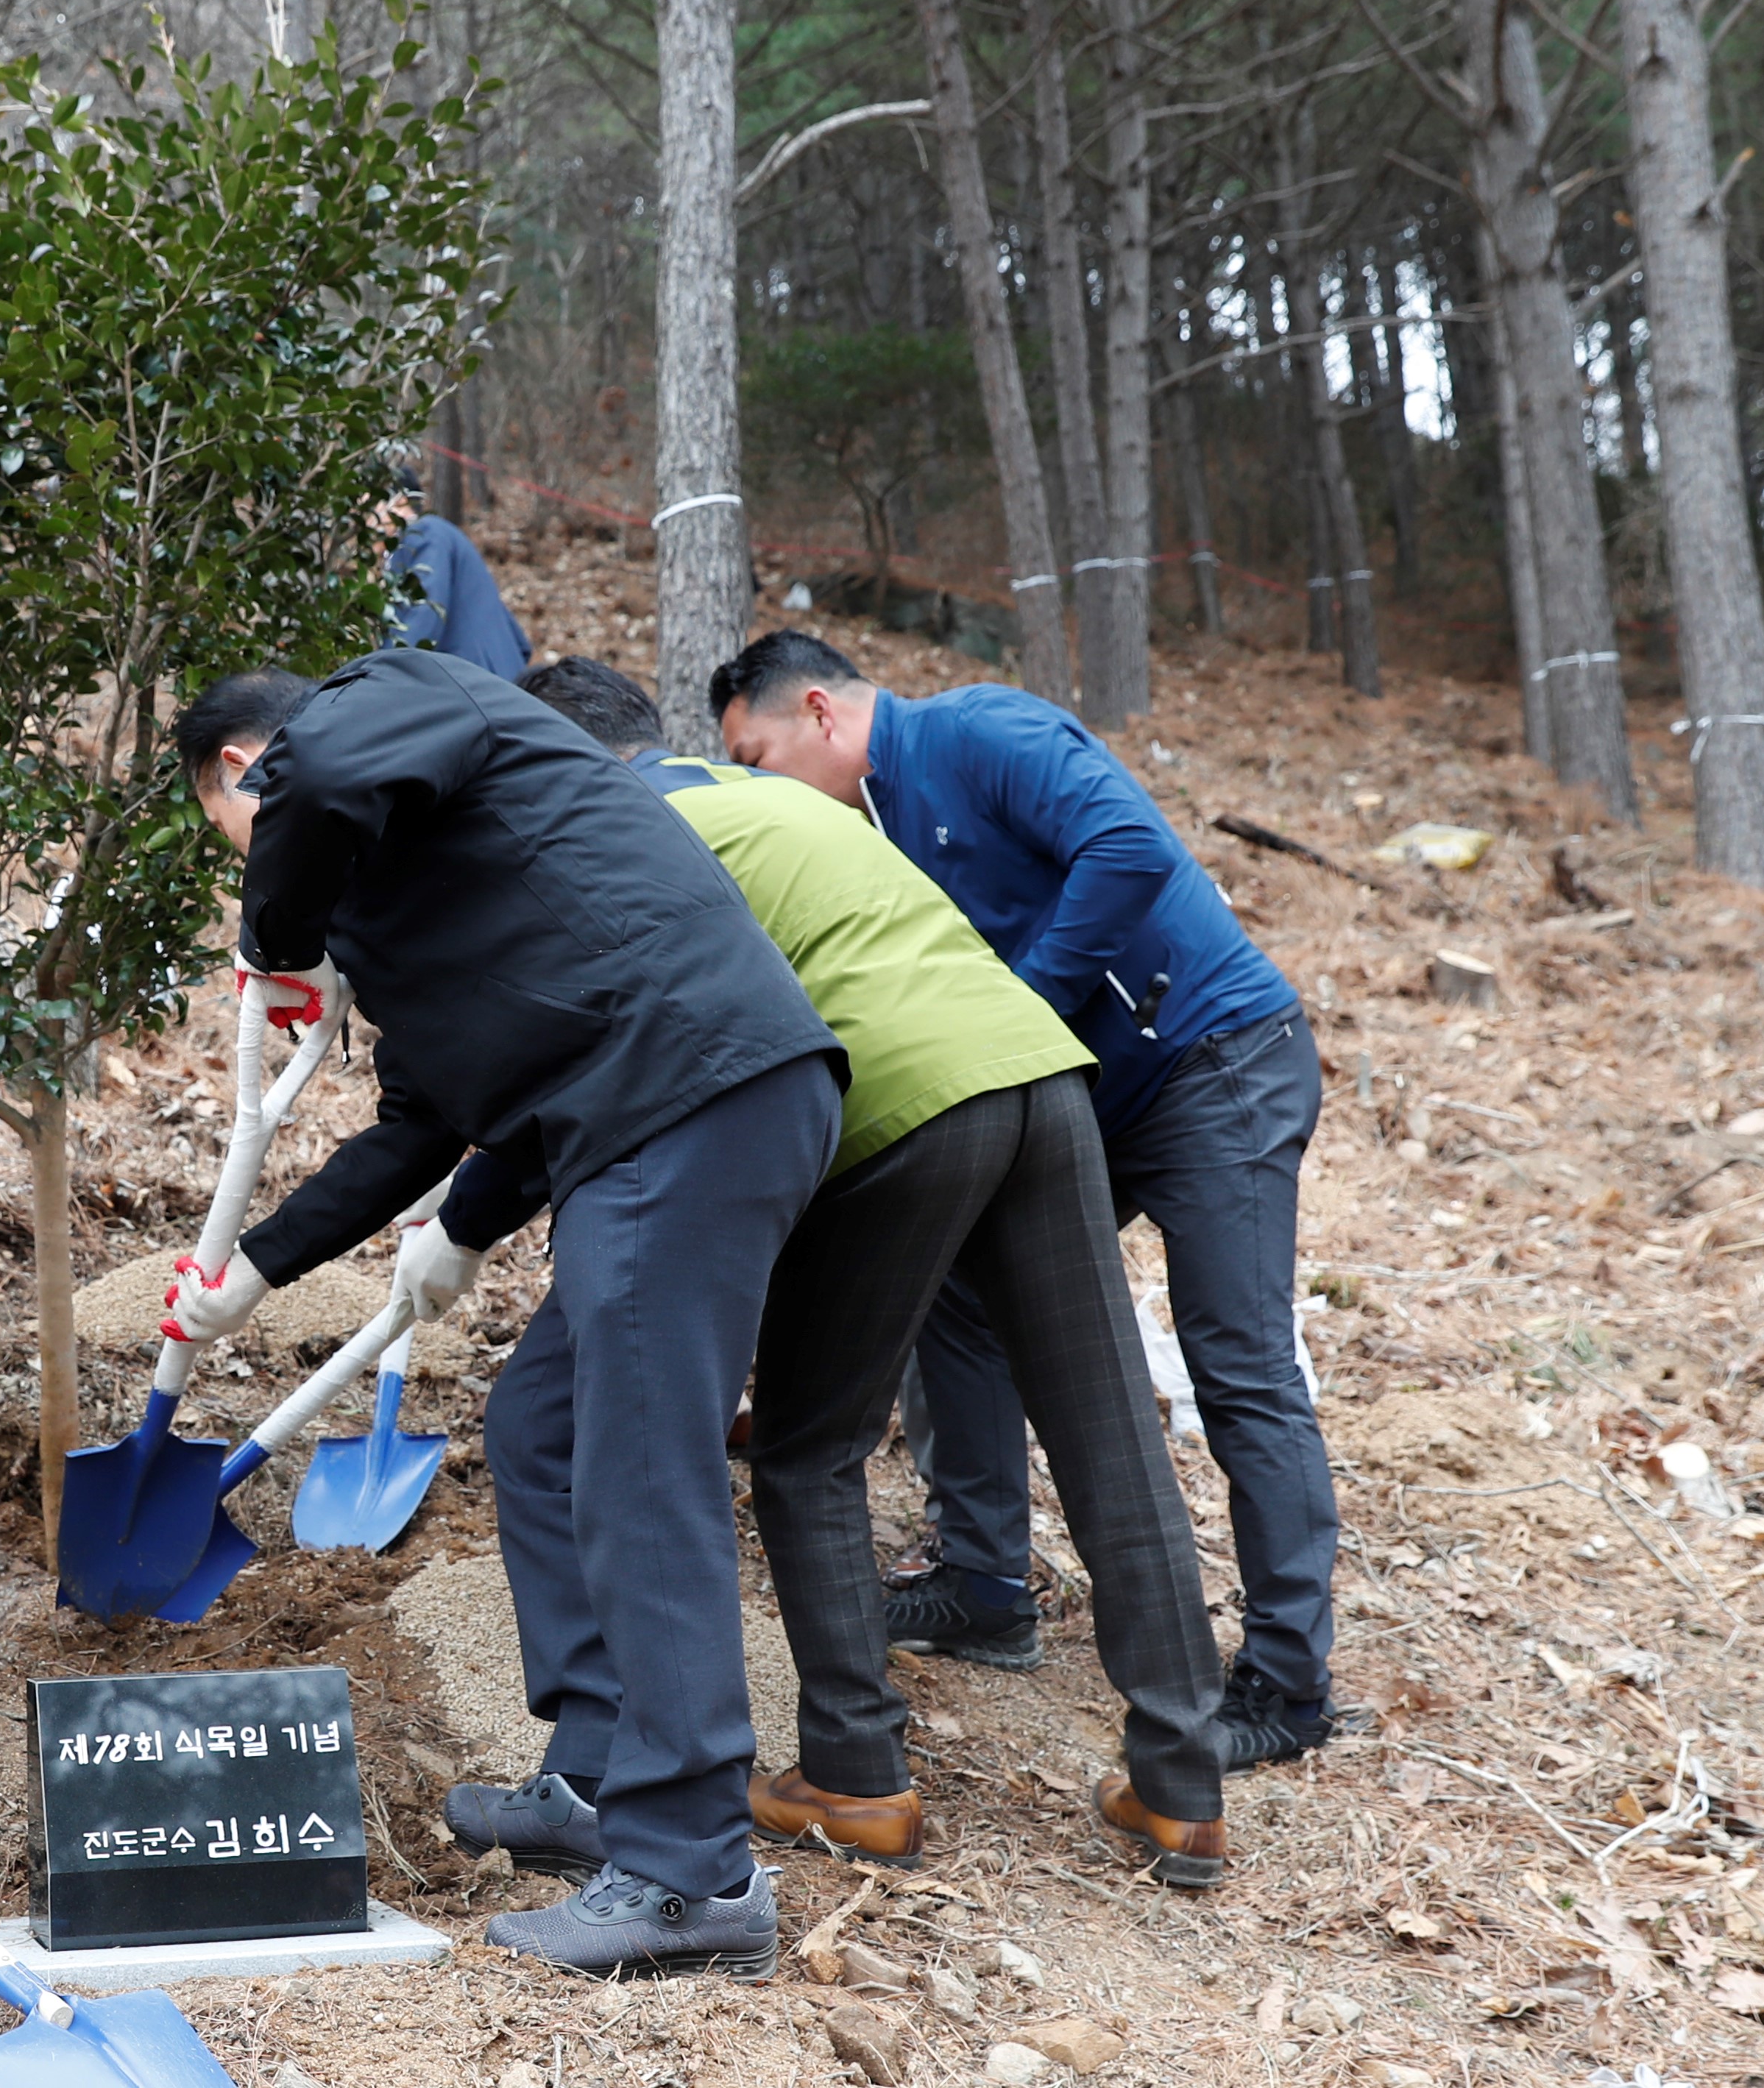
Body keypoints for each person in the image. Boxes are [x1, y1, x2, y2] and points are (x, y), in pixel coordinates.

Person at [439, 657, 1228, 1885]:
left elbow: (621, 1049)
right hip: (1035, 1066)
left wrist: (467, 1212)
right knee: (1110, 1436)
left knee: (808, 1448)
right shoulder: (790, 802)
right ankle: (1182, 1789)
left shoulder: (617, 832)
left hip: (892, 1105)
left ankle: (856, 1774)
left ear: (562, 763)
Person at [168, 649, 843, 1980]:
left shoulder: (402, 694)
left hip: (681, 1094)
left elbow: (324, 777)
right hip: (656, 1113)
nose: (257, 859)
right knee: (540, 1428)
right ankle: (598, 1776)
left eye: (235, 833)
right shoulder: (413, 889)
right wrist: (254, 1266)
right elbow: (418, 1122)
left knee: (641, 1474)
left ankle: (687, 1870)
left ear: (245, 773)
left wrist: (274, 939)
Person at [711, 631, 1339, 1773]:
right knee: (950, 1286)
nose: (756, 789)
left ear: (814, 710)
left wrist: (1023, 1005)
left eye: (754, 757)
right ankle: (983, 1581)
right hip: (1089, 1091)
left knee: (1235, 1361)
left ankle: (1287, 1683)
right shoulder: (873, 821)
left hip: (1213, 1063)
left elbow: (1126, 849)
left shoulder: (977, 729)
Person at [386, 506, 532, 679]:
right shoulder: (443, 533)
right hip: (502, 678)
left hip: (474, 681)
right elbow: (521, 643)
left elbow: (425, 612)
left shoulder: (424, 532)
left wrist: (379, 673)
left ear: (400, 500)